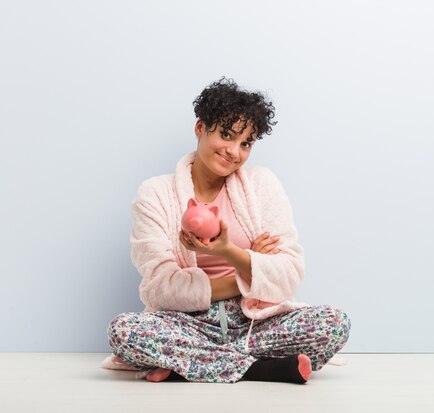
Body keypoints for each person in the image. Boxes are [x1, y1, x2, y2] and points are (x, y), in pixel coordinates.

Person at [103, 77, 351, 384]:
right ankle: (261, 368)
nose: (234, 151)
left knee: (333, 323)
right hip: (187, 323)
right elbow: (161, 289)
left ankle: (190, 365)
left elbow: (289, 275)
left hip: (254, 321)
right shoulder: (155, 194)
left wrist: (226, 252)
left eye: (246, 143)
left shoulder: (262, 185)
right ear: (200, 128)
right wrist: (247, 272)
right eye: (226, 135)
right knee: (125, 331)